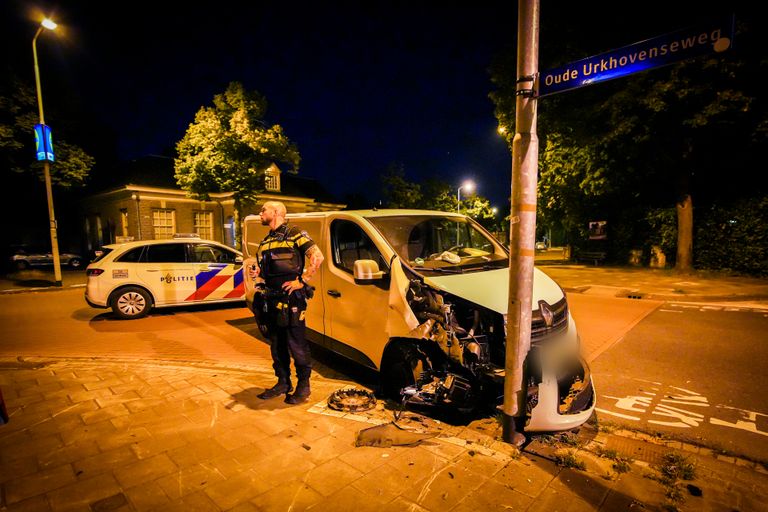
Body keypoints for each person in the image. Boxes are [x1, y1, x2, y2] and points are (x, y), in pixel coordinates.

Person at [247, 201, 324, 404]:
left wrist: (303, 281)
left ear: (276, 212)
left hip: (292, 301)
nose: (260, 213)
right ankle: (283, 382)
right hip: (271, 300)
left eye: (263, 210)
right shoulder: (266, 241)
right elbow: (269, 271)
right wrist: (259, 273)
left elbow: (317, 256)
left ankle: (303, 387)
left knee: (296, 344)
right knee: (277, 344)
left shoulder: (295, 233)